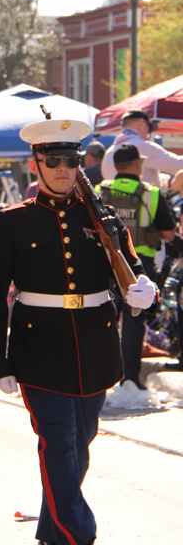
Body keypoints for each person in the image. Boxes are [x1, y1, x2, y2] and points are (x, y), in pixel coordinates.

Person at [0, 116, 156, 545]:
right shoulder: (13, 222)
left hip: (95, 348)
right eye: (53, 160)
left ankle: (51, 527)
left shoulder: (100, 217)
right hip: (39, 349)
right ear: (36, 163)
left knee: (78, 448)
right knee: (58, 445)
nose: (62, 168)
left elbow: (131, 268)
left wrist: (143, 290)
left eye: (70, 160)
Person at [99, 144, 176, 388]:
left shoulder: (99, 190)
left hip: (105, 265)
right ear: (137, 165)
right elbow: (169, 234)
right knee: (133, 323)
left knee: (102, 319)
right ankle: (129, 379)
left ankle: (102, 376)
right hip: (139, 268)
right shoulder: (151, 193)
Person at [102, 110, 183, 187]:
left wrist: (165, 181)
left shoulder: (109, 152)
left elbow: (145, 175)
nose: (149, 133)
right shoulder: (143, 146)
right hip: (144, 201)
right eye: (149, 127)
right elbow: (179, 165)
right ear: (141, 123)